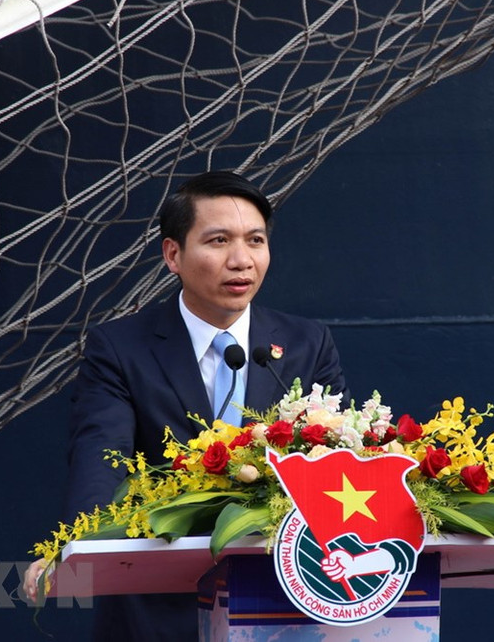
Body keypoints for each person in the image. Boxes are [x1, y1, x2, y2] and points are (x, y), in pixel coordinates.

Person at [23, 171, 347, 640]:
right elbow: (101, 453)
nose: (241, 260)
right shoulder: (121, 347)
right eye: (218, 240)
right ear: (173, 254)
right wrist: (81, 545)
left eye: (255, 240)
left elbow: (338, 458)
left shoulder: (305, 344)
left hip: (283, 597)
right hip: (156, 602)